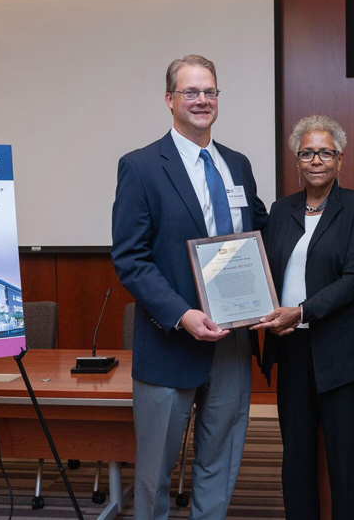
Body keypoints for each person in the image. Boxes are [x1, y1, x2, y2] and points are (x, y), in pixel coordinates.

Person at [111, 54, 267, 520]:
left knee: (220, 461)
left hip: (232, 342)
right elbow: (130, 259)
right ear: (169, 100)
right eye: (191, 92)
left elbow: (258, 232)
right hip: (171, 343)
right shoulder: (140, 166)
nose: (202, 100)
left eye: (210, 91)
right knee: (155, 472)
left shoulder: (236, 165)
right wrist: (182, 314)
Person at [254, 115, 354, 519]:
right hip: (292, 350)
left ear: (340, 159)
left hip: (340, 353)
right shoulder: (281, 209)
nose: (316, 160)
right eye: (307, 152)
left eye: (326, 152)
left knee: (345, 465)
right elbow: (263, 270)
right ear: (297, 160)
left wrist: (302, 311)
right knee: (297, 461)